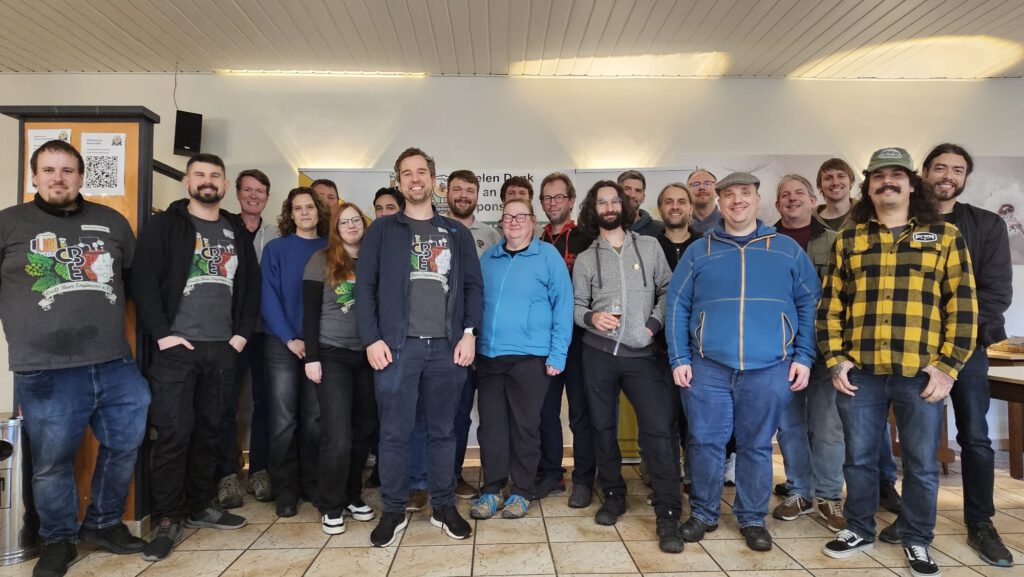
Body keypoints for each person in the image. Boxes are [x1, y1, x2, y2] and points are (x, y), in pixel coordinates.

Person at [818, 148, 977, 577]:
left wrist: (948, 367)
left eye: (896, 175)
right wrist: (835, 360)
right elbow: (830, 307)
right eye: (878, 176)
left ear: (911, 185)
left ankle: (917, 537)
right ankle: (859, 528)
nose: (887, 182)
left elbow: (963, 306)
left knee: (922, 464)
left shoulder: (944, 236)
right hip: (861, 373)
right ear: (868, 186)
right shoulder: (849, 239)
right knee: (859, 458)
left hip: (920, 373)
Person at [0, 140, 150, 577]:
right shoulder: (9, 223)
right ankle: (58, 539)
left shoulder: (111, 221)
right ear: (34, 176)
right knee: (52, 462)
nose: (58, 178)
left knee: (125, 443)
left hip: (113, 361)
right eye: (48, 170)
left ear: (81, 177)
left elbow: (134, 283)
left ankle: (103, 523)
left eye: (67, 170)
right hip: (44, 368)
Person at [875, 143, 1013, 567]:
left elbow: (995, 295)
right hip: (911, 351)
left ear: (965, 177)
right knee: (918, 441)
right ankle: (916, 516)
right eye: (940, 168)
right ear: (924, 173)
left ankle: (981, 522)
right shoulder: (902, 222)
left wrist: (950, 342)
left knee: (975, 437)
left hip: (966, 349)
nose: (948, 176)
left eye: (957, 169)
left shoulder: (986, 225)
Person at [667, 172, 819, 553]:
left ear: (757, 199)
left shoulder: (786, 249)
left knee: (756, 445)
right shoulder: (698, 251)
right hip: (708, 367)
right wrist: (679, 356)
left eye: (745, 193)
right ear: (719, 202)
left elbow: (809, 304)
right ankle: (703, 513)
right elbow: (677, 306)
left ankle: (752, 518)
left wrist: (804, 356)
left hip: (769, 367)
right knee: (704, 442)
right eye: (730, 195)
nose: (737, 200)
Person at [134, 153, 259, 562]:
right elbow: (143, 281)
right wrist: (163, 336)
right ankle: (169, 518)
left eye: (215, 175)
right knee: (174, 434)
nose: (208, 181)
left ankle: (200, 504)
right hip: (177, 350)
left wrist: (239, 337)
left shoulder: (235, 230)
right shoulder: (166, 226)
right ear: (187, 182)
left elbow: (251, 288)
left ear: (224, 185)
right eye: (200, 175)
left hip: (221, 349)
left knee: (209, 430)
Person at [356, 147, 482, 547]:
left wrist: (469, 333)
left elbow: (473, 287)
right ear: (398, 181)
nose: (415, 178)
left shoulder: (456, 233)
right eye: (407, 173)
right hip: (396, 349)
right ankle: (393, 510)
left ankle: (443, 507)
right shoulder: (382, 230)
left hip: (447, 349)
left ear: (433, 180)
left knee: (443, 432)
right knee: (394, 434)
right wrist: (371, 338)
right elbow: (365, 288)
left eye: (421, 172)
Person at [572, 180, 682, 553]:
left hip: (642, 355)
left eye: (614, 200)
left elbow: (668, 290)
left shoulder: (649, 246)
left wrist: (653, 323)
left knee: (658, 431)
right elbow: (576, 305)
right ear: (593, 209)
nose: (608, 207)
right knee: (602, 428)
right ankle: (613, 495)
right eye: (601, 202)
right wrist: (591, 317)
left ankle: (668, 511)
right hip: (598, 354)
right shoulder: (586, 258)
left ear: (624, 206)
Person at [470, 198, 573, 519]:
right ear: (501, 222)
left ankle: (522, 491)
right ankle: (492, 489)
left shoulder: (548, 256)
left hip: (531, 357)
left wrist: (558, 354)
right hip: (489, 356)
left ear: (533, 221)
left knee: (525, 427)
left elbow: (564, 305)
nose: (513, 222)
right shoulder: (489, 258)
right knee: (491, 427)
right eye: (508, 216)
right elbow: (475, 303)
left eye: (521, 216)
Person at [768, 175, 845, 532]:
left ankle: (828, 496)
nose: (792, 198)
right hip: (779, 352)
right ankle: (800, 490)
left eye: (799, 193)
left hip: (825, 349)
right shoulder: (764, 242)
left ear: (814, 200)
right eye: (785, 195)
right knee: (790, 427)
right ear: (777, 204)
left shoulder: (836, 241)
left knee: (828, 426)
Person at [303, 202, 377, 535]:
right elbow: (309, 312)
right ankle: (330, 504)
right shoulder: (320, 260)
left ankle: (351, 496)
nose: (350, 226)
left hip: (368, 356)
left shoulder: (373, 260)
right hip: (332, 354)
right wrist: (312, 357)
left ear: (363, 224)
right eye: (343, 222)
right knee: (338, 435)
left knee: (363, 431)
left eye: (355, 220)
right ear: (335, 228)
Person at [261, 188, 330, 518]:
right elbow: (268, 297)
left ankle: (312, 484)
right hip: (281, 344)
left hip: (320, 344)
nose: (304, 213)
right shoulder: (275, 249)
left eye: (310, 207)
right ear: (290, 214)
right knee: (283, 420)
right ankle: (285, 490)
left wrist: (313, 342)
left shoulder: (331, 248)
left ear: (319, 211)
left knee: (315, 420)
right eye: (298, 208)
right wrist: (290, 338)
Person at [535, 172, 597, 505]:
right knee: (545, 411)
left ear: (571, 200)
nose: (553, 203)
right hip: (544, 341)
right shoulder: (536, 242)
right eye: (547, 198)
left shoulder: (588, 239)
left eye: (559, 197)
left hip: (582, 340)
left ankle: (584, 478)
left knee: (580, 413)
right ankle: (551, 474)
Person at [217, 168, 277, 508]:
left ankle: (260, 470)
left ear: (267, 197)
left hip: (266, 331)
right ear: (237, 193)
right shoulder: (224, 230)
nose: (254, 196)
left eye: (260, 191)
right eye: (248, 190)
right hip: (231, 331)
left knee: (264, 402)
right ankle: (228, 473)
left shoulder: (276, 234)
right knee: (226, 403)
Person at [444, 169, 501, 500]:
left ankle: (468, 476)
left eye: (469, 190)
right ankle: (439, 477)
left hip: (483, 337)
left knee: (475, 412)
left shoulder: (491, 236)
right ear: (446, 193)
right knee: (447, 411)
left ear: (478, 195)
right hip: (446, 337)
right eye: (458, 189)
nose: (463, 195)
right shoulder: (436, 229)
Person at [653, 182, 702, 499]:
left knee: (696, 423)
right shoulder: (648, 247)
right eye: (668, 201)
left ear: (691, 208)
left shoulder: (707, 244)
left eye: (681, 201)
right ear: (660, 208)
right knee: (662, 422)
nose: (675, 206)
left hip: (698, 351)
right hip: (657, 349)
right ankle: (666, 483)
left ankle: (695, 481)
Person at [618, 170, 664, 237]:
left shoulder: (659, 229)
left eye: (638, 190)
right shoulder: (605, 227)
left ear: (643, 198)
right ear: (617, 193)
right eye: (627, 189)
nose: (632, 195)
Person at [815, 158, 856, 231]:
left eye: (841, 176)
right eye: (828, 178)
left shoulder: (868, 214)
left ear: (852, 182)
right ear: (819, 186)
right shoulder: (809, 221)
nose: (835, 183)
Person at [687, 168, 721, 234]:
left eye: (708, 184)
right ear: (687, 192)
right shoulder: (680, 223)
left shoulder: (728, 222)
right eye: (696, 185)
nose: (702, 188)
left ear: (717, 191)